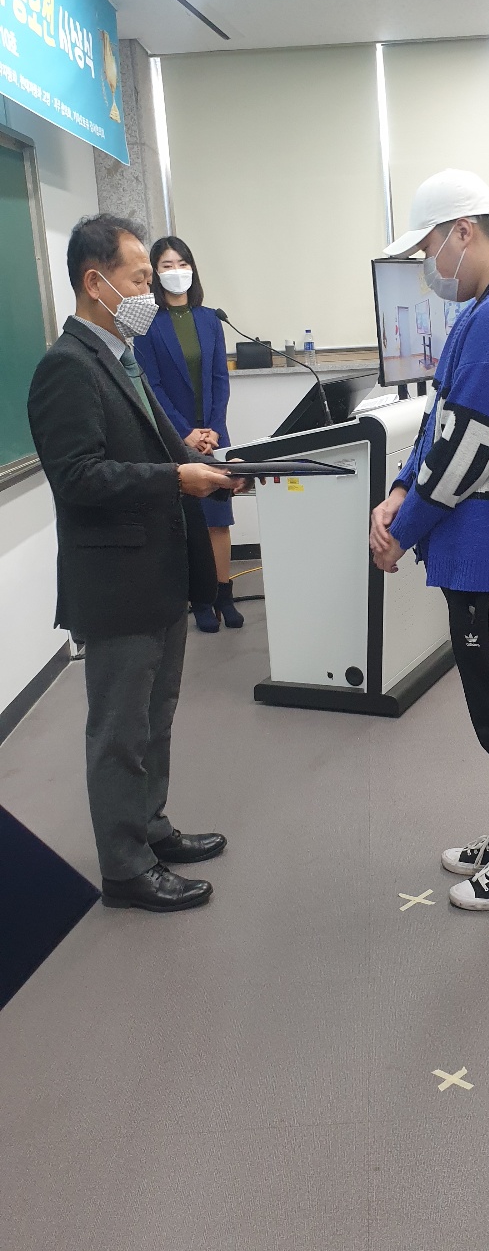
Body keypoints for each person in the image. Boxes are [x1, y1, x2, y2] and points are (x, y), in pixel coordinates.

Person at [28, 214, 242, 913]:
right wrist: (178, 478)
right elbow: (79, 477)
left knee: (155, 716)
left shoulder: (120, 356)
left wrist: (215, 469)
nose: (152, 291)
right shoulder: (67, 366)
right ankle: (125, 869)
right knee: (119, 731)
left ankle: (150, 829)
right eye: (141, 278)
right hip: (116, 584)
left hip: (157, 572)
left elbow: (162, 446)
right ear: (97, 283)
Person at [370, 168, 489, 911]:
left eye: (429, 248)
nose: (428, 264)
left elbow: (467, 453)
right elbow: (442, 420)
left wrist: (401, 530)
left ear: (463, 231)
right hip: (486, 546)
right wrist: (399, 489)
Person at [134, 236, 243, 634]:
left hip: (213, 435)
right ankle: (201, 599)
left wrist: (212, 430)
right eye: (166, 265)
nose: (176, 271)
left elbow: (219, 380)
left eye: (182, 263)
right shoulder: (148, 324)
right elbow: (153, 386)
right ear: (154, 273)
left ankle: (224, 594)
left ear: (192, 268)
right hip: (174, 437)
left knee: (218, 518)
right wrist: (185, 433)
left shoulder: (210, 319)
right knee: (185, 520)